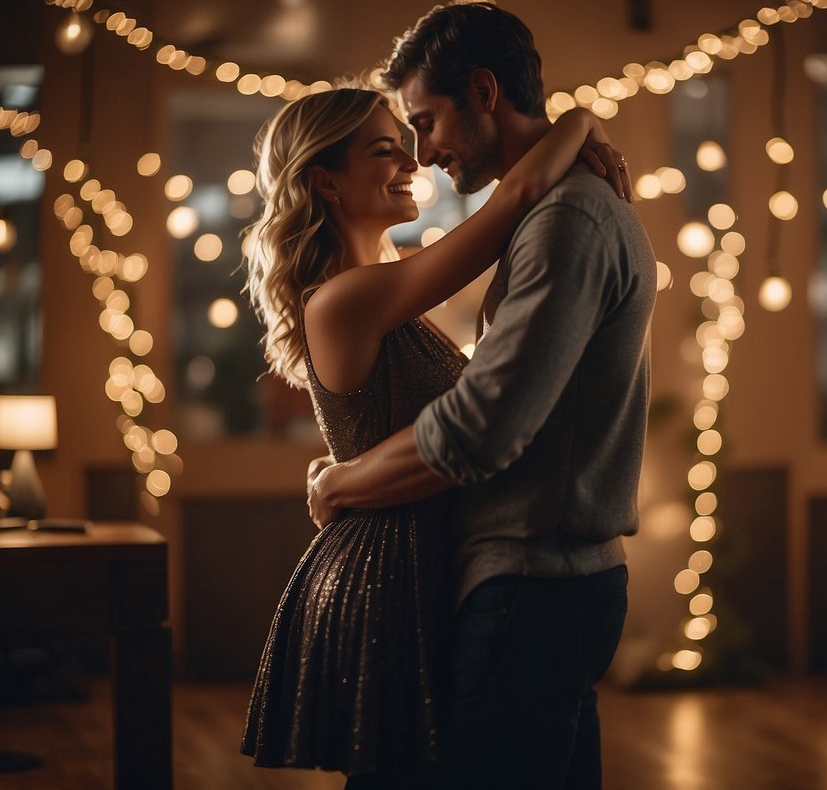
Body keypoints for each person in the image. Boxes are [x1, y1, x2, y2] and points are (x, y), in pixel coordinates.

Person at [238, 84, 630, 789]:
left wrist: (339, 474)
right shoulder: (345, 297)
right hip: (387, 569)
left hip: (417, 552)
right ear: (324, 180)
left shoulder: (379, 288)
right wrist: (577, 118)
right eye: (386, 150)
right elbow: (514, 202)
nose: (413, 161)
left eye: (409, 143)